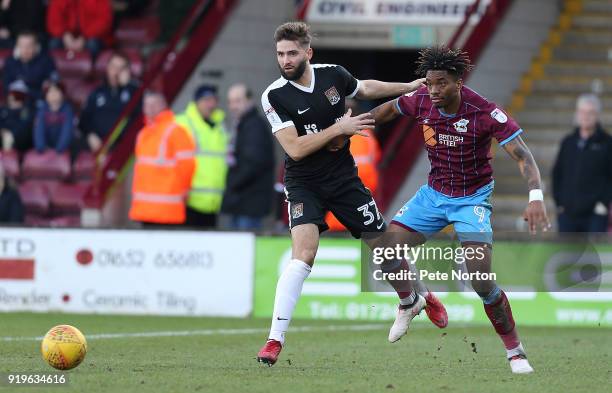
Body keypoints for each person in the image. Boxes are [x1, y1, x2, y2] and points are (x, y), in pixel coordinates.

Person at [256, 22, 446, 366]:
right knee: (303, 254)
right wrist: (339, 128)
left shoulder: (333, 75)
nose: (285, 59)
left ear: (307, 53)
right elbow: (295, 149)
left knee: (385, 247)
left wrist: (407, 86)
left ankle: (414, 299)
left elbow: (365, 88)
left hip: (343, 179)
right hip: (303, 182)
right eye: (280, 54)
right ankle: (274, 339)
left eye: (292, 53)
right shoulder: (273, 95)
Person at [369, 46, 551, 374]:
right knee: (383, 253)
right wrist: (349, 126)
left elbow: (523, 156)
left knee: (480, 279)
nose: (434, 90)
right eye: (429, 83)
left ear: (458, 82)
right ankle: (412, 301)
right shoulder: (422, 99)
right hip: (433, 196)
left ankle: (515, 351)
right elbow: (388, 110)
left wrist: (535, 196)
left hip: (472, 200)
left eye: (441, 83)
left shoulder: (484, 112)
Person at [128, 91, 195, 226]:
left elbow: (188, 167)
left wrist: (183, 191)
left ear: (163, 105)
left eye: (154, 104)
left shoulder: (176, 132)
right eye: (146, 105)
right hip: (144, 210)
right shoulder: (143, 134)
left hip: (167, 211)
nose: (149, 109)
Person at [552, 94, 612, 232]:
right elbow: (557, 173)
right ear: (577, 114)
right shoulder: (568, 142)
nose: (586, 116)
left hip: (595, 216)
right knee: (567, 253)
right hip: (567, 214)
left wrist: (603, 204)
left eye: (590, 112)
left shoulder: (607, 143)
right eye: (582, 112)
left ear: (597, 115)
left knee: (592, 254)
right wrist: (560, 204)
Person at [221, 83, 275, 230]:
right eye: (230, 101)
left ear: (249, 101)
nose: (233, 106)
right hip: (243, 201)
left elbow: (253, 164)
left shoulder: (254, 126)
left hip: (248, 203)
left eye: (238, 100)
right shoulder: (244, 124)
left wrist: (232, 183)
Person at [175, 85, 227, 228]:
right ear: (196, 102)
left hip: (213, 203)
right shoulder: (182, 123)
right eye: (206, 100)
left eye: (214, 100)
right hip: (189, 201)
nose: (211, 104)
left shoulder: (220, 126)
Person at [326, 99, 381, 231]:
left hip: (350, 176)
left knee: (340, 209)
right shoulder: (367, 133)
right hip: (370, 176)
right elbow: (377, 156)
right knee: (364, 210)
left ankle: (336, 231)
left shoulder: (340, 133)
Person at [79, 52, 140, 153]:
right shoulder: (97, 91)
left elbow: (140, 115)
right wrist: (90, 134)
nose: (116, 71)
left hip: (123, 145)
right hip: (97, 142)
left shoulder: (135, 91)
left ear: (127, 71)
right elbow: (83, 120)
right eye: (113, 66)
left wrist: (127, 86)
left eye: (121, 68)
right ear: (107, 68)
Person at [47, 0, 113, 58]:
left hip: (92, 36)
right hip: (66, 36)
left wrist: (84, 37)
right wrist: (65, 35)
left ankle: (90, 71)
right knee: (54, 43)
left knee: (92, 44)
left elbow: (104, 22)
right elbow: (53, 21)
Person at [3, 31, 57, 102]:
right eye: (22, 46)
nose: (25, 49)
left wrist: (26, 90)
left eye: (29, 46)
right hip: (14, 102)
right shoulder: (10, 62)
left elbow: (49, 86)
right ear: (17, 47)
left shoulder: (46, 62)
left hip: (36, 102)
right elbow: (6, 85)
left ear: (36, 46)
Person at [33, 80, 73, 154]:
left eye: (56, 91)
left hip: (62, 149)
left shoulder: (67, 110)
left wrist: (59, 150)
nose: (53, 94)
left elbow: (67, 131)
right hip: (45, 148)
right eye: (50, 91)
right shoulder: (42, 109)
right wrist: (41, 148)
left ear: (62, 94)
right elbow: (39, 129)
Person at [0, 80, 35, 152]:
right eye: (11, 95)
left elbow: (23, 126)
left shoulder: (26, 111)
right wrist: (2, 131)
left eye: (15, 96)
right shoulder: (4, 109)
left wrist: (11, 134)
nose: (11, 98)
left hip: (19, 142)